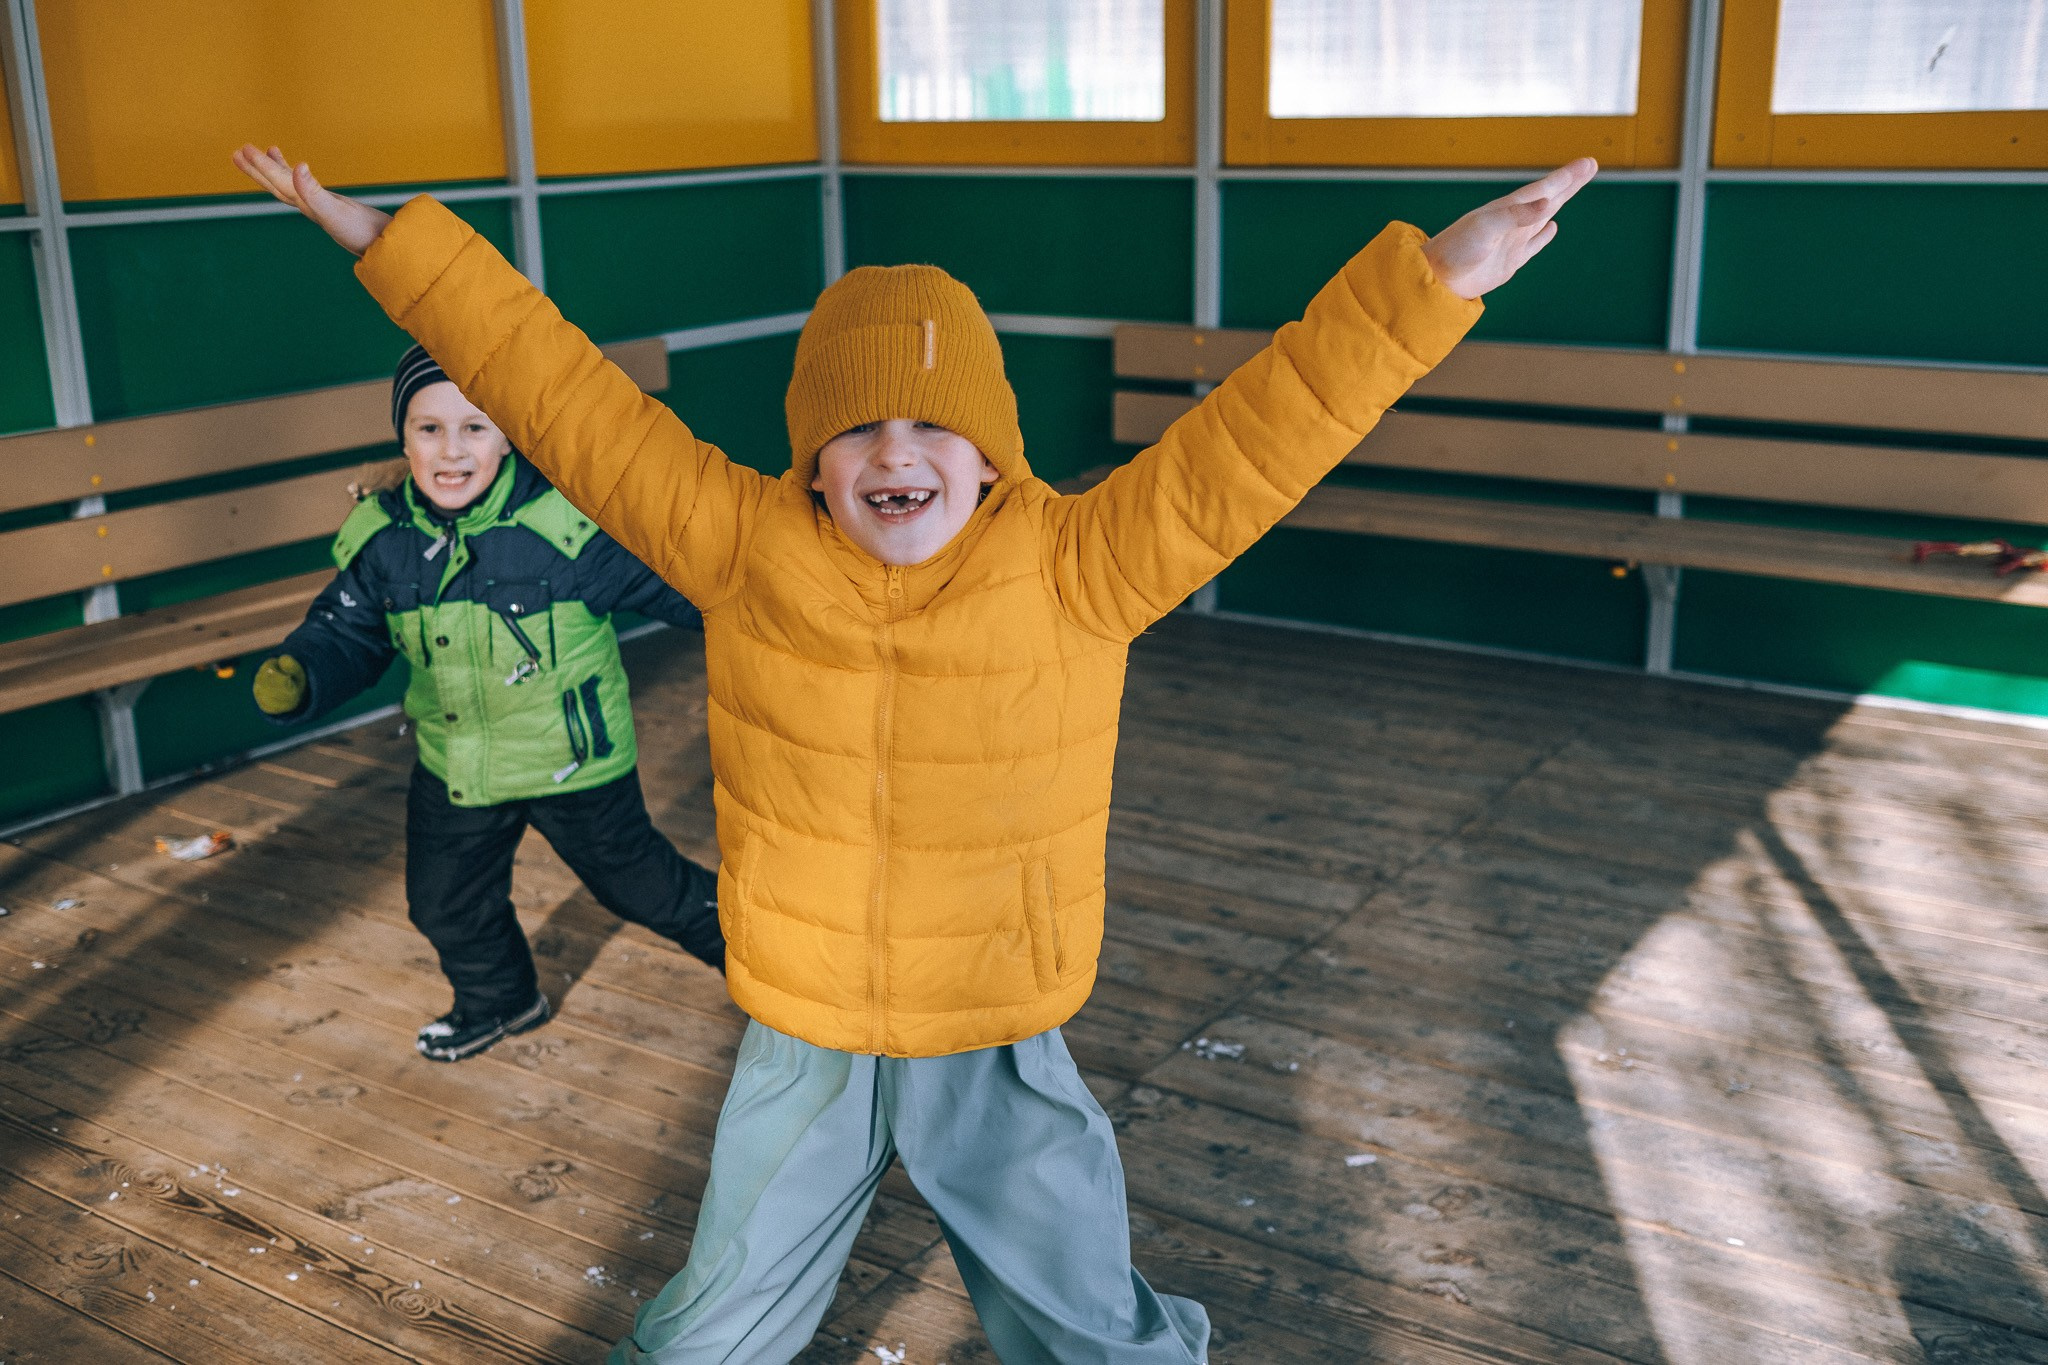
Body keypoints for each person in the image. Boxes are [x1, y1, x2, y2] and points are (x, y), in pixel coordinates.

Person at [233, 138, 1591, 1362]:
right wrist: (385, 241)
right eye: (858, 428)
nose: (898, 451)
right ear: (812, 459)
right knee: (727, 1303)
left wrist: (1437, 279)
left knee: (1074, 1296)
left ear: (992, 454)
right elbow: (558, 390)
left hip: (992, 1014)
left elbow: (1270, 431)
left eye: (935, 424)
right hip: (806, 1019)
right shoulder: (745, 545)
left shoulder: (1083, 563)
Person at [251, 342, 725, 1063]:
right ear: (402, 437)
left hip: (573, 763)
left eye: (475, 427)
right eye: (429, 428)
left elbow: (681, 593)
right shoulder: (385, 540)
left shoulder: (565, 530)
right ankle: (501, 998)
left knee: (645, 890)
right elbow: (346, 628)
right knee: (442, 900)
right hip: (458, 764)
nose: (452, 450)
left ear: (508, 435)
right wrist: (305, 672)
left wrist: (762, 630)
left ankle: (770, 970)